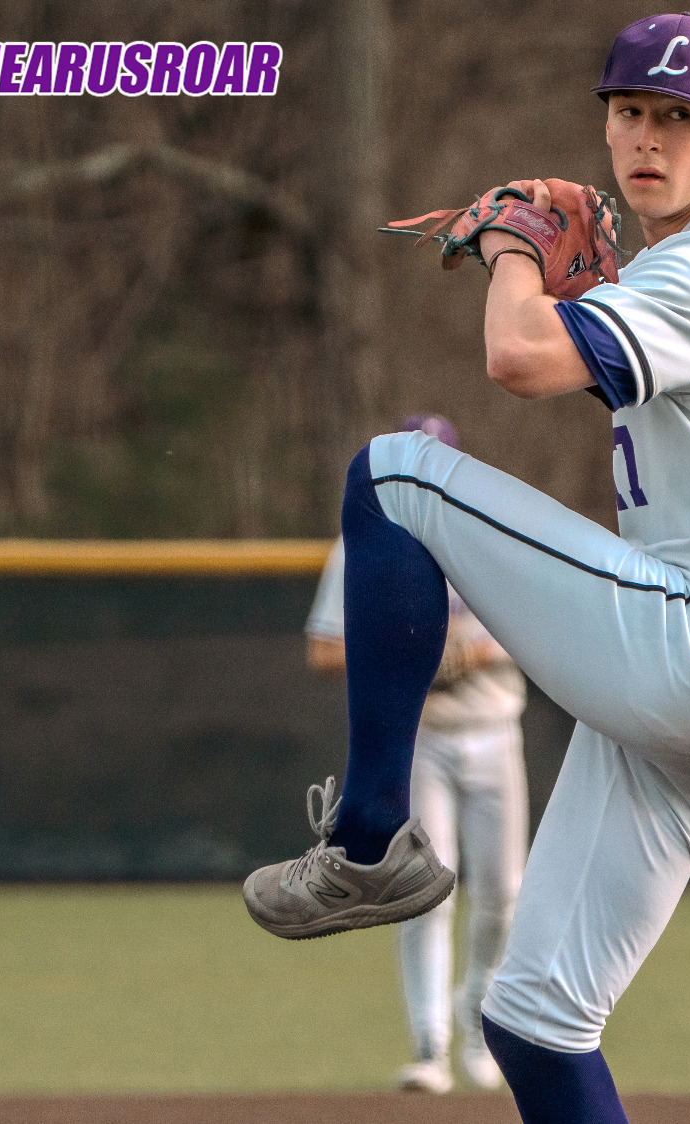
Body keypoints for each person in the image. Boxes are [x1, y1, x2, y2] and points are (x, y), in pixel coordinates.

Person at [244, 14, 690, 1123]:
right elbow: (594, 363)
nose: (649, 137)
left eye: (682, 117)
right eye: (631, 111)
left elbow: (519, 356)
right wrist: (570, 279)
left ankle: (369, 838)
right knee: (533, 1022)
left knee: (392, 479)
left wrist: (515, 246)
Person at [304, 414, 528, 1095]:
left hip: (494, 729)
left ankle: (479, 1024)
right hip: (422, 737)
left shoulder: (489, 530)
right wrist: (408, 655)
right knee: (426, 890)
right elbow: (324, 649)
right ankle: (430, 1046)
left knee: (504, 896)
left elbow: (538, 626)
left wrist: (473, 653)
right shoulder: (367, 540)